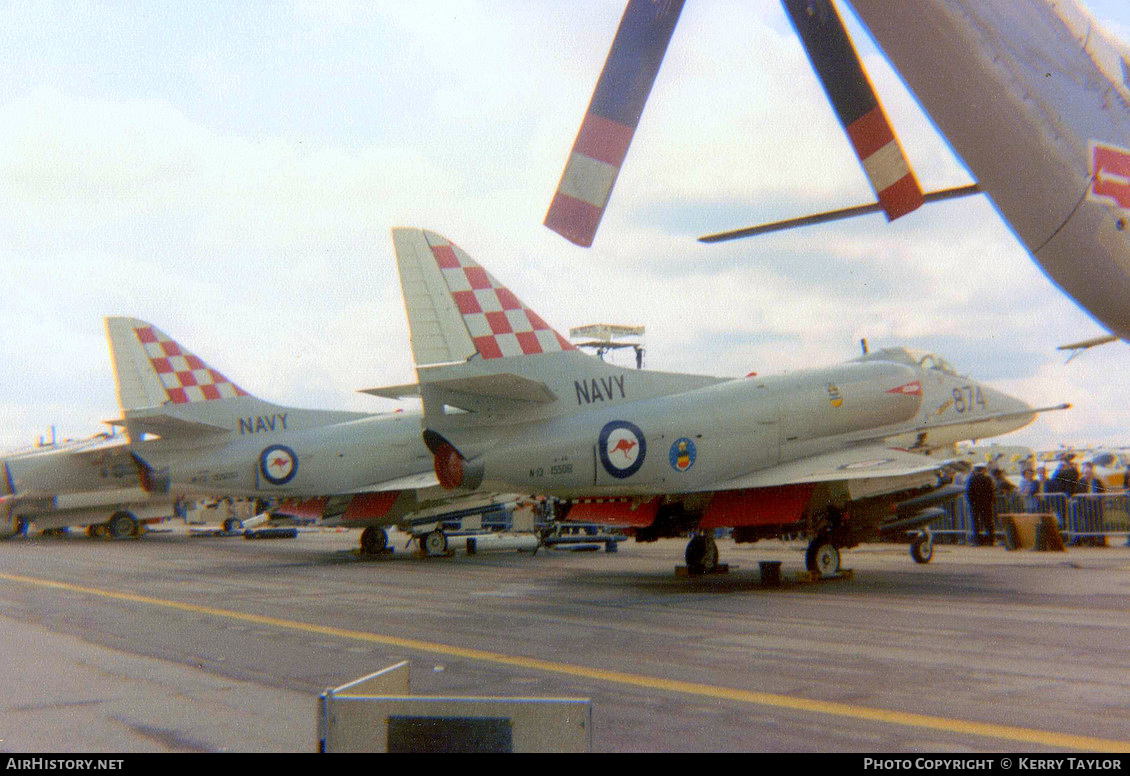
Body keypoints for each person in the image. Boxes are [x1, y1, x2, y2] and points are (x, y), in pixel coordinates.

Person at [966, 465, 996, 545]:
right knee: (988, 522)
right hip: (986, 504)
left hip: (975, 504)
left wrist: (971, 503)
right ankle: (991, 540)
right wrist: (991, 502)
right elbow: (991, 491)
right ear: (983, 470)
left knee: (976, 523)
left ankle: (977, 540)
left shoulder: (972, 479)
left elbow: (969, 492)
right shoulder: (987, 479)